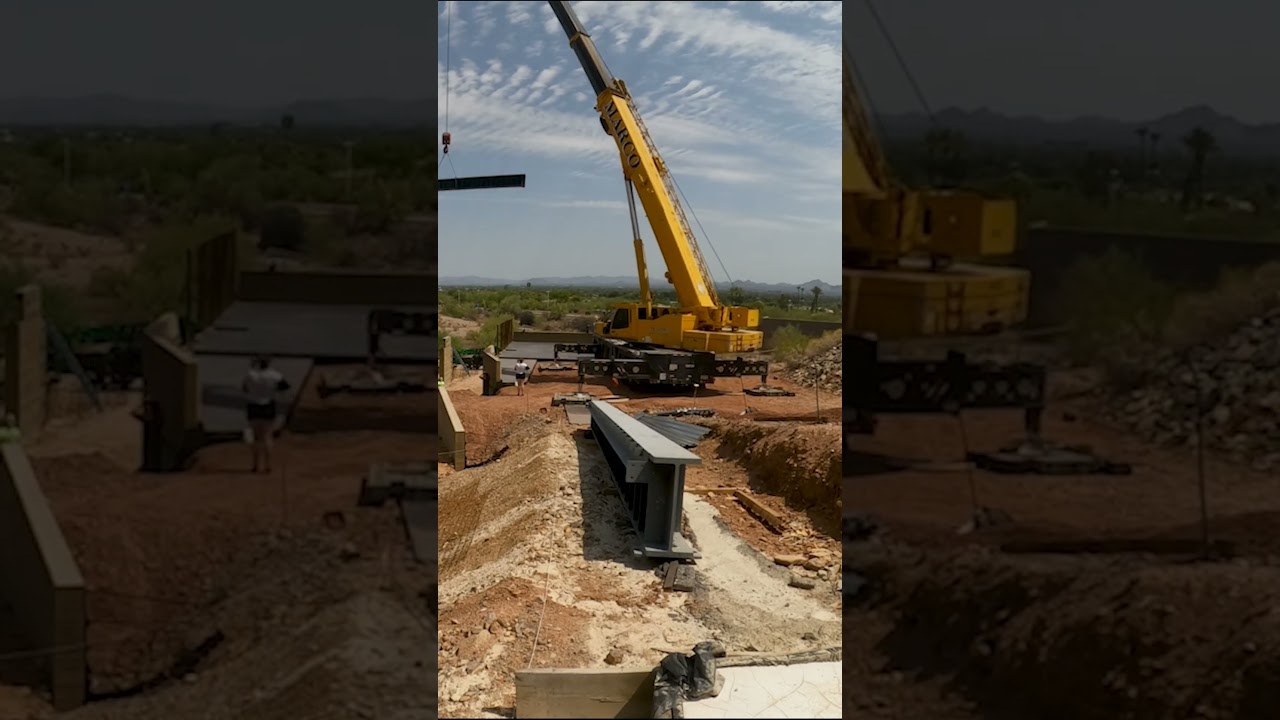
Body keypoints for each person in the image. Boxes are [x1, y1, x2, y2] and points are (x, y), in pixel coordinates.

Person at [241, 355, 290, 473]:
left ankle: (255, 464)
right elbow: (285, 387)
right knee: (267, 436)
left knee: (255, 437)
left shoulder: (250, 375)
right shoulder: (275, 375)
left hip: (253, 407)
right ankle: (268, 465)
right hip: (268, 406)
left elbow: (245, 388)